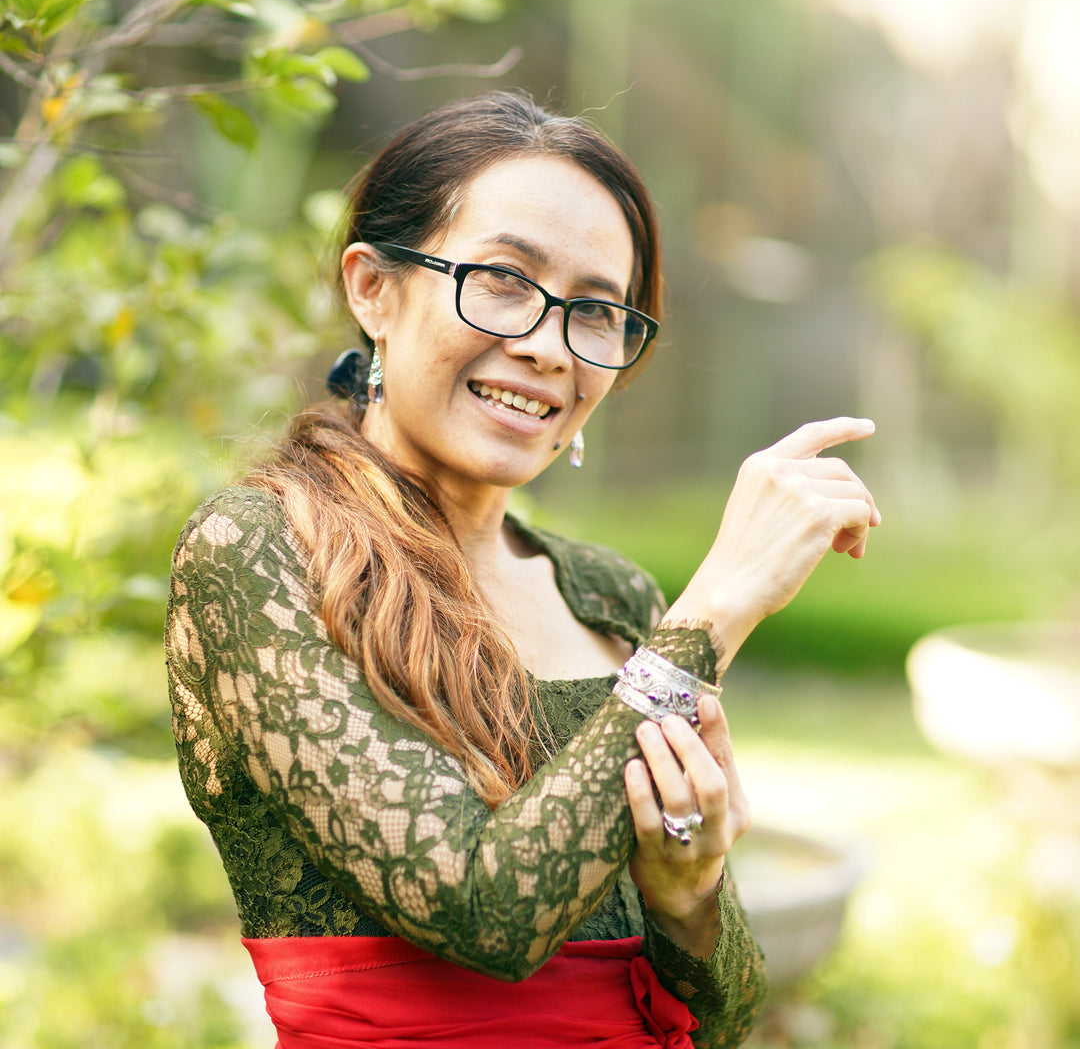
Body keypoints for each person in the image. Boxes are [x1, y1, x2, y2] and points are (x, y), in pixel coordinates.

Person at [165, 90, 879, 1049]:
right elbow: (481, 914)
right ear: (373, 288)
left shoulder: (612, 596)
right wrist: (718, 605)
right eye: (503, 280)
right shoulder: (260, 548)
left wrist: (690, 895)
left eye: (597, 311)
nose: (548, 346)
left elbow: (721, 1019)